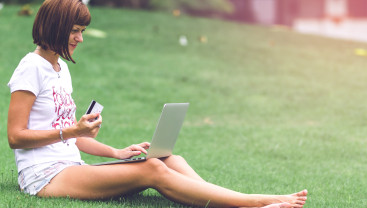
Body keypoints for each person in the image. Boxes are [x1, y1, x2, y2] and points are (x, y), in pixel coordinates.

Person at [7, 0, 308, 207]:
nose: (80, 39)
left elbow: (70, 136)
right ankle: (253, 200)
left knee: (169, 160)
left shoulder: (60, 68)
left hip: (70, 166)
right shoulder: (30, 68)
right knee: (152, 170)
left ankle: (233, 202)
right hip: (44, 177)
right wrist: (73, 131)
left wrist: (115, 152)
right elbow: (15, 137)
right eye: (75, 31)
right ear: (56, 27)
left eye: (82, 31)